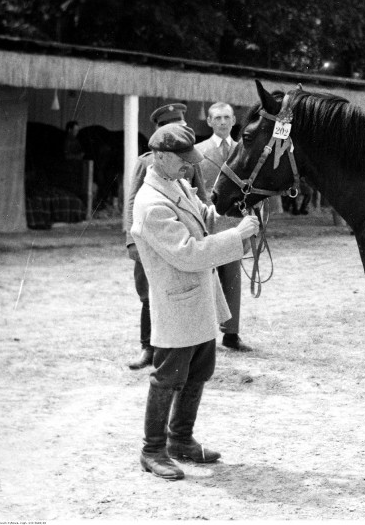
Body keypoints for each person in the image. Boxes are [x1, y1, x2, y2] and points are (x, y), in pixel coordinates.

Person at [131, 123, 260, 480]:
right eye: (181, 160)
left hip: (197, 298)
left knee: (199, 371)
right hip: (177, 301)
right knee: (168, 377)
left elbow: (204, 219)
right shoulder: (151, 204)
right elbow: (188, 253)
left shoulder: (177, 185)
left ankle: (181, 440)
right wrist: (237, 236)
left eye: (189, 160)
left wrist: (237, 216)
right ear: (158, 157)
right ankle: (153, 450)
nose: (189, 166)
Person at [124, 103, 205, 370]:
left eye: (183, 126)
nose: (181, 131)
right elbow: (132, 199)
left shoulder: (189, 159)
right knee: (148, 294)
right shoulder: (146, 162)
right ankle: (148, 348)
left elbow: (200, 196)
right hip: (149, 237)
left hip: (181, 233)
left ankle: (182, 347)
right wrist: (131, 240)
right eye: (174, 127)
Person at [195, 102, 251, 351]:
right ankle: (203, 335)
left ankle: (231, 334)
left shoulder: (244, 150)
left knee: (232, 279)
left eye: (227, 117)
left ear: (234, 120)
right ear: (209, 121)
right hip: (205, 223)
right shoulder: (197, 151)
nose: (222, 122)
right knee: (205, 280)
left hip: (233, 224)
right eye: (217, 118)